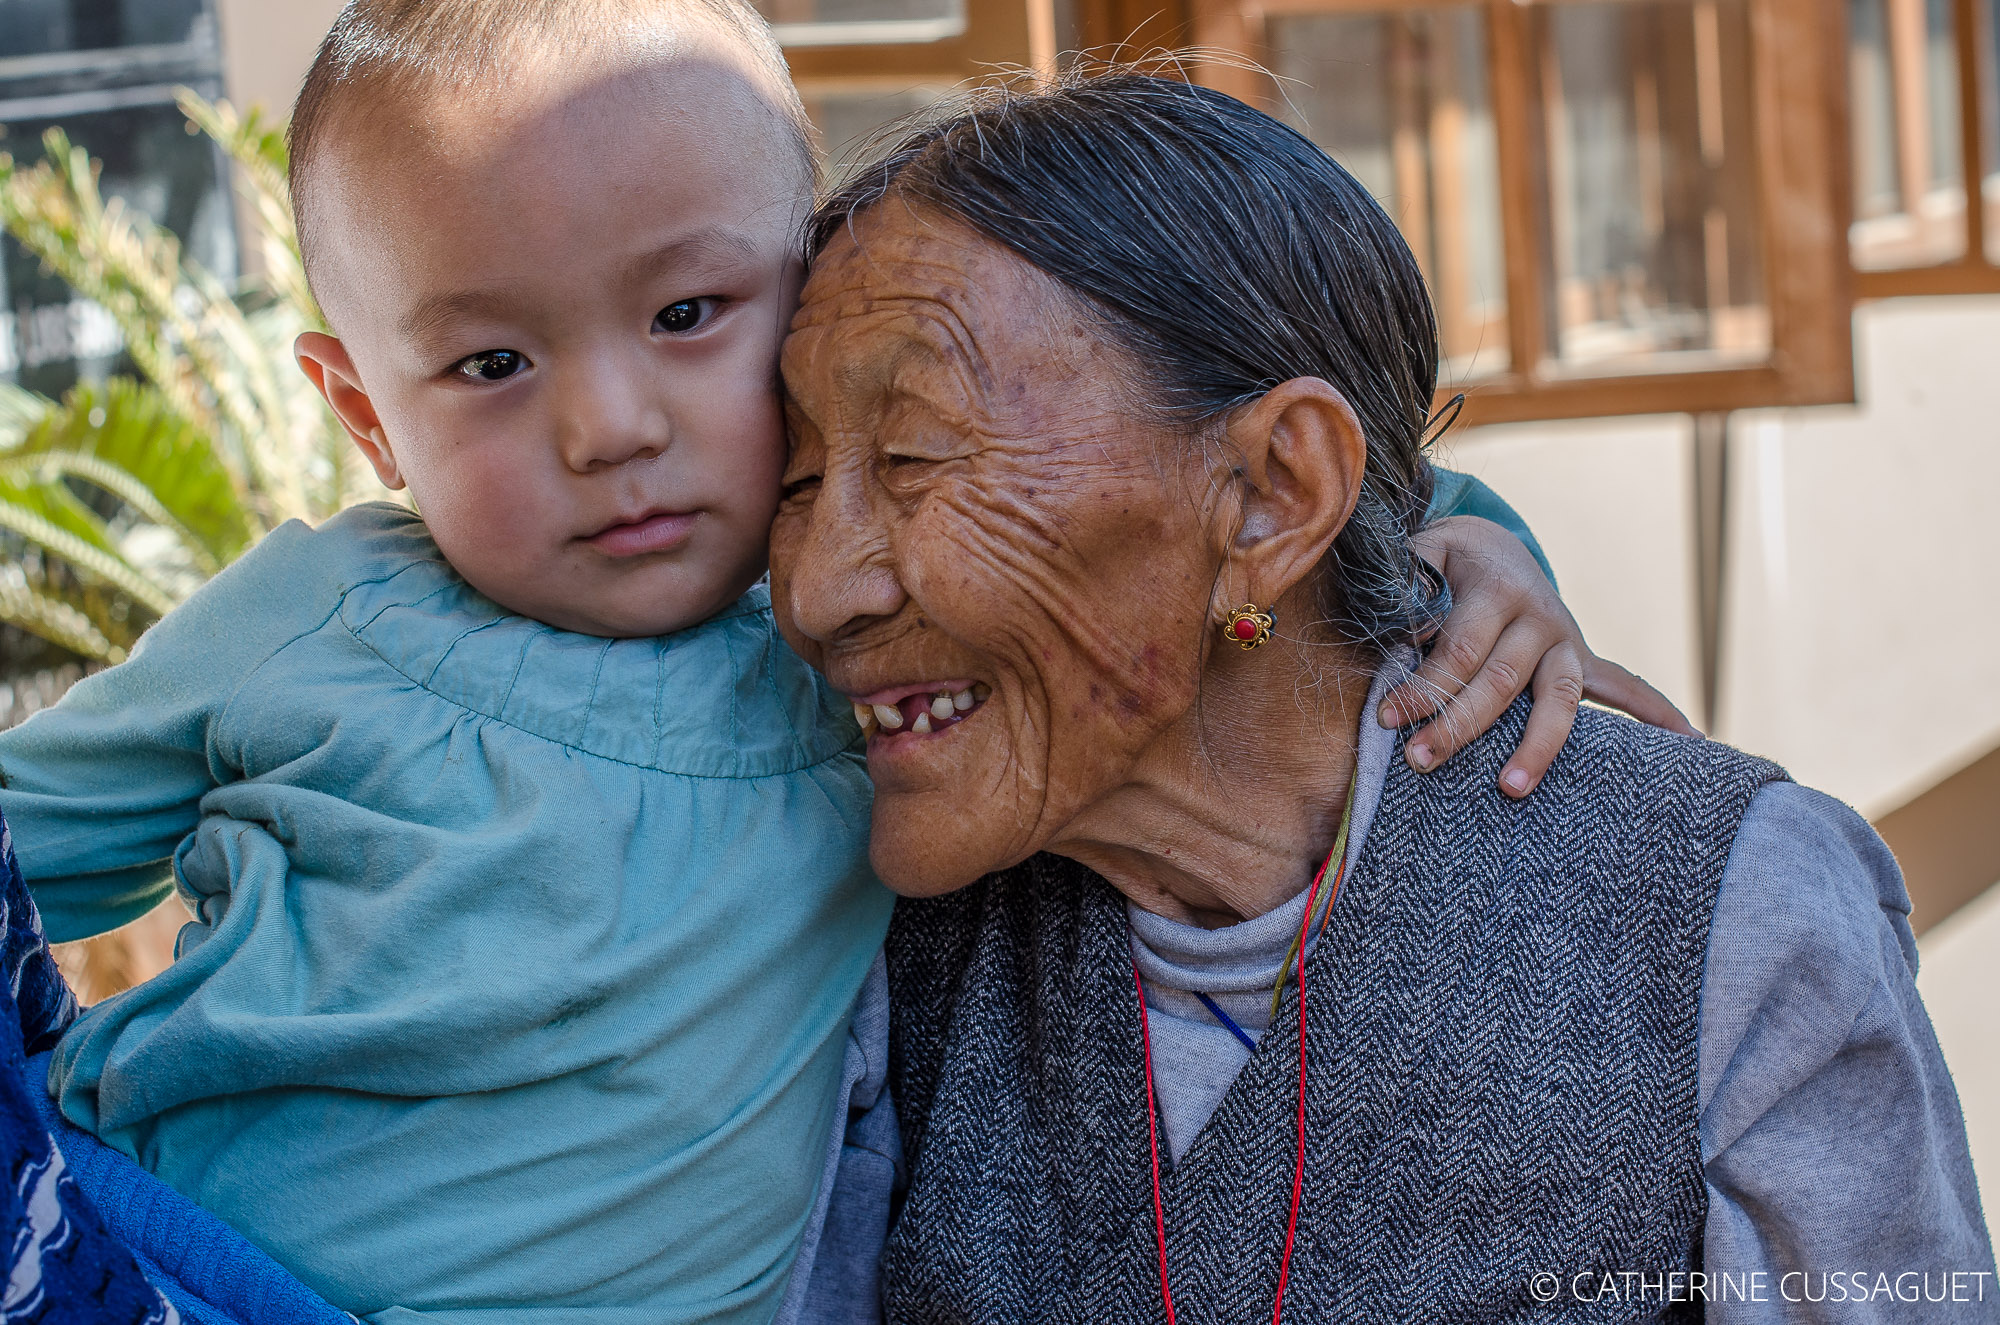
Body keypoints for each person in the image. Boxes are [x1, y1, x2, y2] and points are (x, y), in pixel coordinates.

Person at [0, 7, 1643, 1323]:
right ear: (368, 414)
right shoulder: (309, 625)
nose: (609, 426)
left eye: (688, 315)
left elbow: (1279, 498)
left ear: (823, 315)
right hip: (186, 1271)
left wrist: (1481, 552)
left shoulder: (874, 644)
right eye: (490, 361)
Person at [769, 72, 1998, 1321]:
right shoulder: (856, 943)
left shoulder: (1721, 914)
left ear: (1272, 495)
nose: (815, 591)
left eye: (912, 455)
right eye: (796, 481)